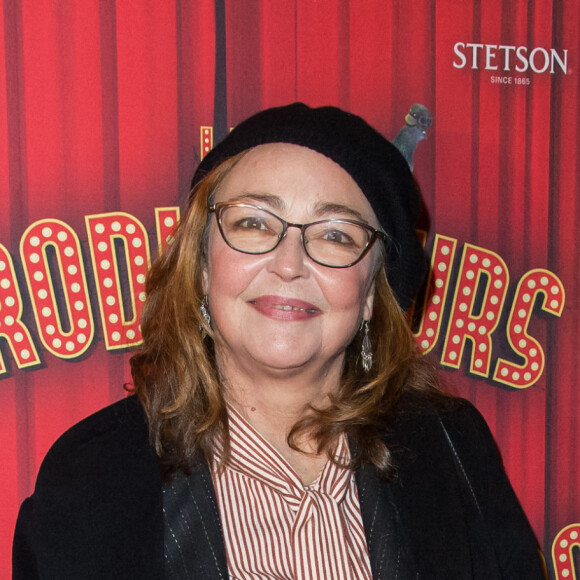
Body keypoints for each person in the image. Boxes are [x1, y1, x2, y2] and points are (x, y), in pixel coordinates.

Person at [13, 103, 546, 579]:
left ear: (370, 295)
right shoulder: (90, 482)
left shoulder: (455, 453)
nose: (290, 263)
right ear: (200, 266)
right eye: (253, 224)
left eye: (336, 234)